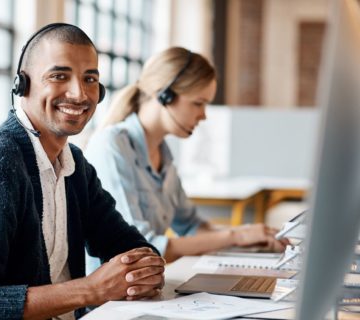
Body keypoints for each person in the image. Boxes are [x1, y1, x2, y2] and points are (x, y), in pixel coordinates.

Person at [0, 23, 165, 320]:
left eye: (90, 78)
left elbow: (127, 244)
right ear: (23, 85)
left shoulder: (75, 166)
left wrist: (146, 269)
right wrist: (90, 290)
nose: (79, 93)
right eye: (59, 76)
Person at [85, 47, 289, 271]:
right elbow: (140, 247)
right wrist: (235, 236)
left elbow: (190, 226)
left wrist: (253, 241)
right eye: (198, 103)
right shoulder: (112, 146)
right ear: (164, 95)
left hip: (145, 290)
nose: (203, 115)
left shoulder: (164, 154)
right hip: (110, 302)